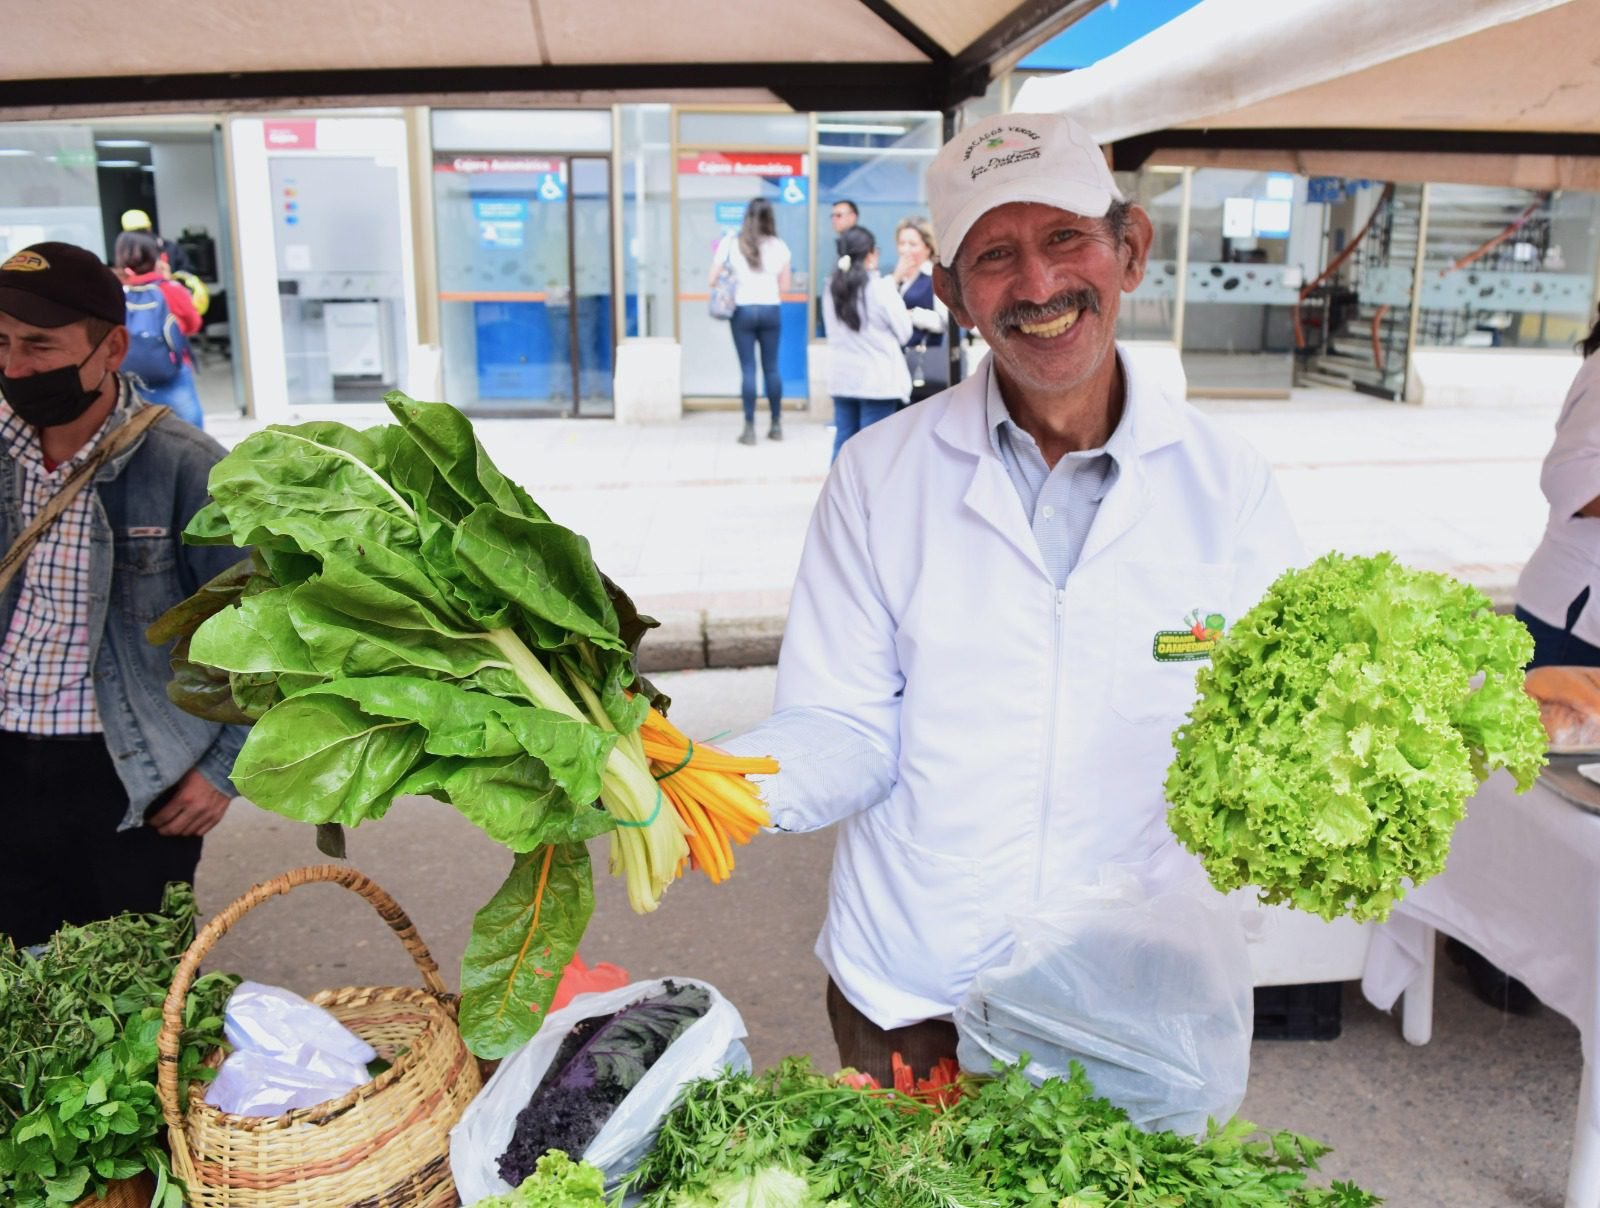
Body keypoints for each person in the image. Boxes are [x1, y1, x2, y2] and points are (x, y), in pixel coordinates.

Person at [721, 114, 1301, 1083]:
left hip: (1134, 1007)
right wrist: (705, 780)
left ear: (1130, 249)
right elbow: (845, 726)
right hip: (916, 995)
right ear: (949, 292)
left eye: (1065, 236)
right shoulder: (876, 479)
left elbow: (1279, 733)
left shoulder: (1226, 488)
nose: (1036, 285)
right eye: (994, 254)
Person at [0, 241, 245, 948]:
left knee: (129, 986)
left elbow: (270, 643)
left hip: (128, 776)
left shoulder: (188, 470)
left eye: (39, 346)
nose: (15, 368)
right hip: (9, 762)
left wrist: (223, 773)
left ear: (112, 348)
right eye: (3, 343)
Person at [1448, 308, 1600, 1014]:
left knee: (1582, 815)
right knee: (1523, 797)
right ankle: (1485, 948)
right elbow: (1573, 484)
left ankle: (1568, 953)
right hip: (1574, 614)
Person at [822, 227, 912, 463]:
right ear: (870, 254)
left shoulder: (831, 287)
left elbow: (832, 332)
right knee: (874, 451)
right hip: (877, 381)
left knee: (843, 444)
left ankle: (836, 498)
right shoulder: (881, 288)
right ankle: (869, 500)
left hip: (843, 378)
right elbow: (905, 333)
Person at [709, 198, 792, 445]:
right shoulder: (779, 246)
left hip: (742, 311)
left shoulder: (731, 243)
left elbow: (712, 279)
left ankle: (749, 429)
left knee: (748, 369)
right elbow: (784, 287)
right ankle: (776, 425)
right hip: (770, 310)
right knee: (772, 368)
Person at [112, 231, 206, 429]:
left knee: (137, 432)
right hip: (172, 371)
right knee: (191, 431)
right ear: (157, 256)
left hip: (128, 376)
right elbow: (193, 324)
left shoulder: (114, 292)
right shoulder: (169, 289)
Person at [889, 216, 950, 404]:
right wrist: (895, 279)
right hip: (894, 364)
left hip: (923, 359)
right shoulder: (895, 279)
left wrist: (910, 315)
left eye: (912, 244)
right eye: (902, 243)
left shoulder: (933, 277)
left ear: (927, 247)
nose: (905, 250)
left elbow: (945, 321)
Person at [120, 207, 193, 276]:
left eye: (142, 231)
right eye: (136, 233)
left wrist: (171, 278)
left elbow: (187, 271)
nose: (140, 238)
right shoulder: (126, 251)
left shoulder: (168, 247)